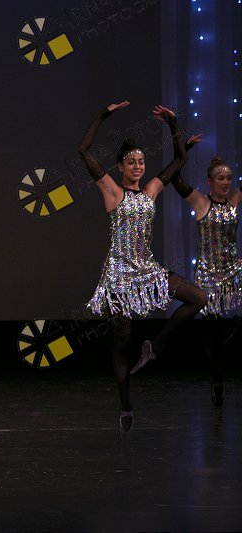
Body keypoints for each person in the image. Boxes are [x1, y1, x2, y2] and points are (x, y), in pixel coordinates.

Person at [78, 101, 207, 435]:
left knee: (198, 298)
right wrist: (104, 114)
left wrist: (173, 124)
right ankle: (125, 403)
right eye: (131, 162)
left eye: (141, 161)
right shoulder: (112, 191)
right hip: (119, 276)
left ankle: (155, 347)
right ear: (121, 167)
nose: (137, 166)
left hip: (147, 270)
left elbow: (179, 161)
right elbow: (84, 150)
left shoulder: (151, 189)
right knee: (122, 339)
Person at [171, 149, 242, 407]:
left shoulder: (234, 200)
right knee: (213, 332)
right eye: (221, 178)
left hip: (233, 272)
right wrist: (183, 149)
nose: (226, 182)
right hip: (209, 276)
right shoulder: (201, 202)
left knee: (224, 329)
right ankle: (217, 379)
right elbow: (175, 179)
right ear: (210, 181)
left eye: (229, 178)